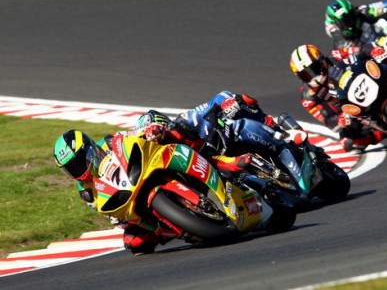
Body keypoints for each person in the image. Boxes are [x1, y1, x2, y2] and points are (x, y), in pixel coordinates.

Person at [52, 109, 253, 255]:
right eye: (71, 169)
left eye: (78, 163)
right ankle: (182, 229)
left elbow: (130, 136)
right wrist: (119, 220)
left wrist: (148, 130)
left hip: (147, 167)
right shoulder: (85, 191)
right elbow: (107, 212)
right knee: (134, 244)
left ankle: (220, 163)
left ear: (88, 149)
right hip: (134, 206)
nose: (77, 171)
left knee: (176, 134)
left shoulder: (108, 142)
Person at [289, 44, 385, 152]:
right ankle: (384, 132)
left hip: (369, 81)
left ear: (321, 60)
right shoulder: (308, 97)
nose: (312, 76)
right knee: (348, 143)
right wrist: (340, 120)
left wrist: (373, 51)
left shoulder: (336, 56)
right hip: (351, 109)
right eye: (305, 75)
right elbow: (327, 120)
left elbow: (362, 51)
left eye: (313, 69)